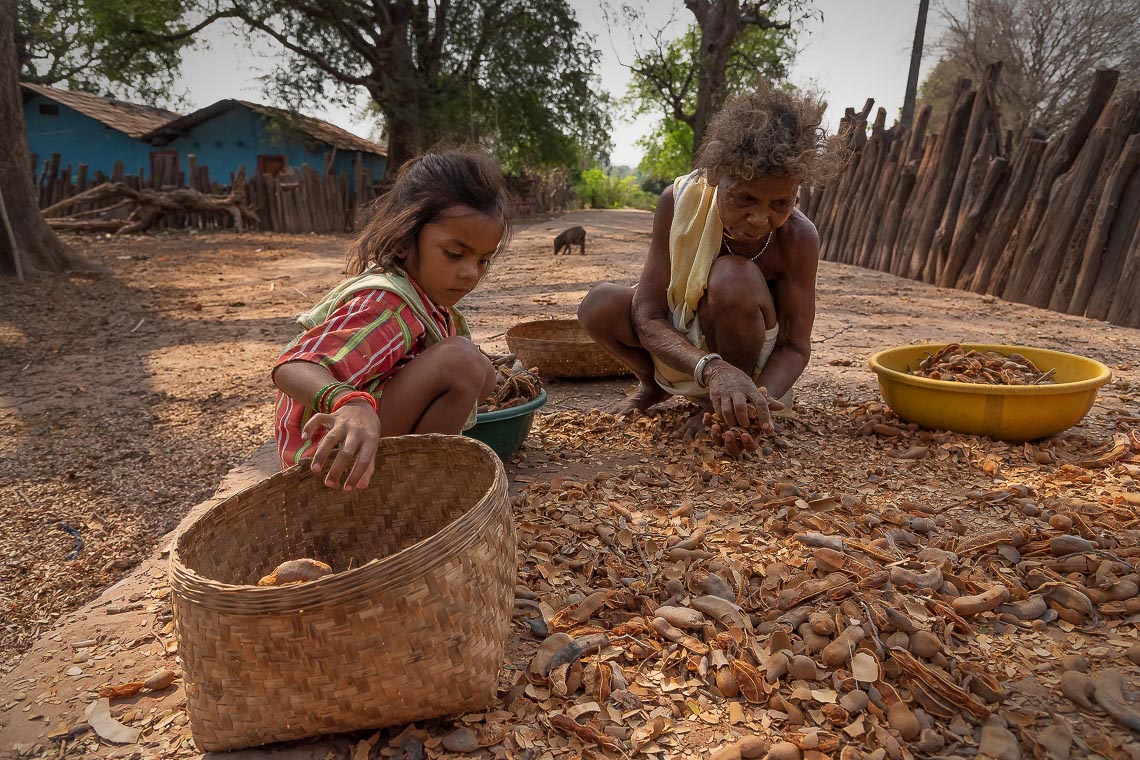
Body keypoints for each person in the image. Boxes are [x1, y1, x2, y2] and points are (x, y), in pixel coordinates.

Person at [578, 86, 848, 448]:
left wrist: (757, 399)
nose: (759, 218)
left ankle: (728, 404)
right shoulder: (679, 202)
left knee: (732, 276)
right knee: (599, 304)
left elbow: (795, 347)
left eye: (780, 203)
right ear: (718, 177)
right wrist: (714, 369)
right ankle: (656, 386)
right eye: (745, 198)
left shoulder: (799, 238)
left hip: (754, 365)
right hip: (690, 349)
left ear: (797, 193)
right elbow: (648, 315)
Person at [272, 150, 510, 490]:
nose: (471, 273)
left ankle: (412, 477)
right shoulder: (387, 305)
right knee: (461, 362)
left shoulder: (428, 301)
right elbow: (291, 365)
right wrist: (350, 402)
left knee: (480, 372)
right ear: (403, 241)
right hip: (324, 462)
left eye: (484, 260)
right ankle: (413, 488)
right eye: (454, 254)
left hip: (351, 452)